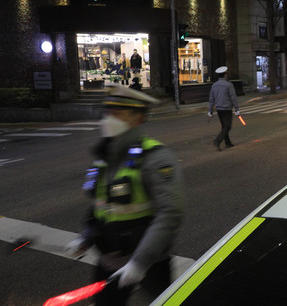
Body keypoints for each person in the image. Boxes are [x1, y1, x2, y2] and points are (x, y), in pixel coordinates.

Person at [65, 86, 185, 305]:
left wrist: (140, 262)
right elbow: (101, 204)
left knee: (164, 301)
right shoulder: (105, 155)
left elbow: (171, 212)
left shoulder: (155, 156)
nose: (109, 118)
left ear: (138, 118)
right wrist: (86, 236)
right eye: (108, 112)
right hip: (109, 260)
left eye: (118, 113)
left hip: (150, 261)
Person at [207, 66, 240, 151]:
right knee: (227, 127)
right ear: (225, 75)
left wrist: (210, 111)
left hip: (219, 109)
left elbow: (211, 99)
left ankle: (228, 143)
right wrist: (237, 109)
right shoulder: (229, 85)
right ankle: (217, 141)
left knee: (224, 126)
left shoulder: (214, 85)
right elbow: (233, 98)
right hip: (227, 108)